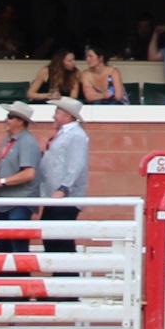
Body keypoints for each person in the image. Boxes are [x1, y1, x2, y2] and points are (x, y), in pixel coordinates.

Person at [39, 99, 91, 254]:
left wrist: (64, 188)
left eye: (57, 112)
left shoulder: (76, 135)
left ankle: (67, 274)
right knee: (52, 237)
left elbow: (76, 164)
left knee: (61, 240)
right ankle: (62, 274)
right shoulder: (67, 134)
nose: (54, 116)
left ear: (67, 115)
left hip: (64, 198)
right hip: (55, 196)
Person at [0, 103, 43, 220]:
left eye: (10, 117)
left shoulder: (27, 141)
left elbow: (29, 173)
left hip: (20, 202)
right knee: (0, 238)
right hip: (5, 201)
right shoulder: (8, 139)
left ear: (21, 121)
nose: (6, 120)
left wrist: (0, 181)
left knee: (16, 237)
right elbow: (4, 166)